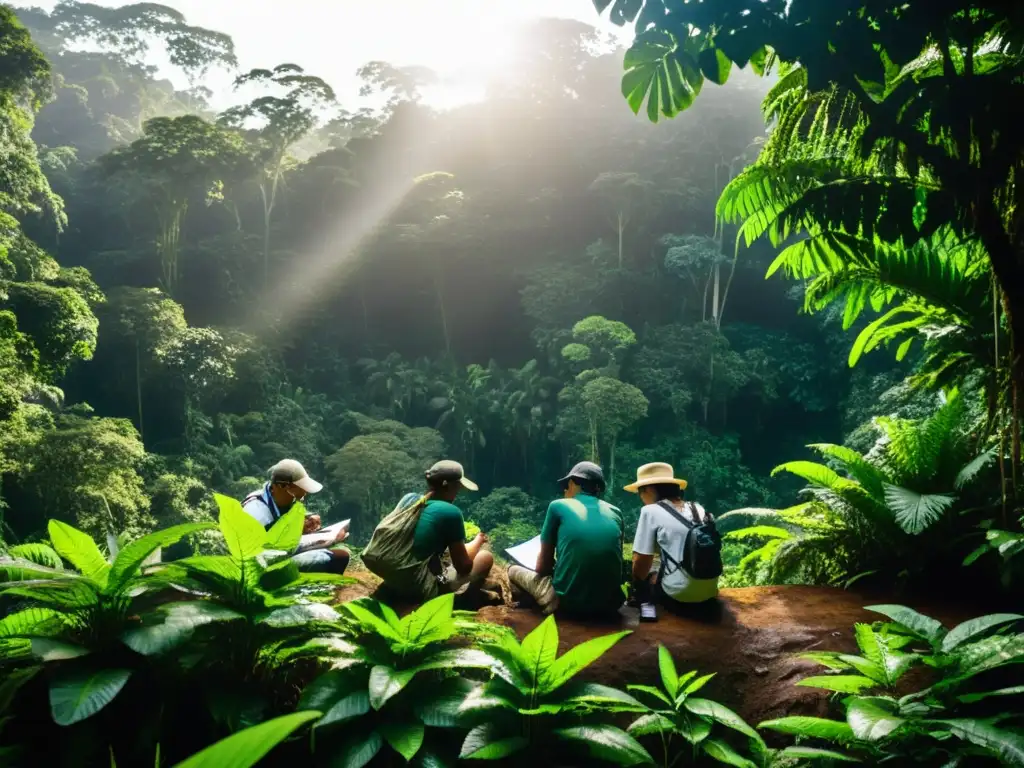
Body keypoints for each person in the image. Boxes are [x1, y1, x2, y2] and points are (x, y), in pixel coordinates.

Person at [361, 460, 493, 602]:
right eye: (457, 487)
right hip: (419, 583)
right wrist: (479, 543)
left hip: (391, 571)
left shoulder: (410, 500)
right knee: (485, 557)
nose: (458, 492)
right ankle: (460, 600)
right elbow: (463, 567)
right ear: (450, 486)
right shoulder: (451, 512)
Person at [507, 461, 625, 619]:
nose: (565, 490)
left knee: (512, 570)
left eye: (567, 485)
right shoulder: (616, 512)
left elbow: (543, 568)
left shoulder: (557, 506)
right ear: (598, 488)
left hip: (569, 604)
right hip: (610, 605)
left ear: (572, 483)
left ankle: (543, 604)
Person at [625, 462, 721, 622]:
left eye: (640, 492)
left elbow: (640, 561)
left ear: (648, 489)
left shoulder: (650, 511)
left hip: (679, 595)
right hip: (710, 590)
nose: (640, 498)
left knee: (650, 573)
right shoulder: (698, 508)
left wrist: (637, 587)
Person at [242, 459, 350, 574]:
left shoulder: (280, 498)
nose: (303, 494)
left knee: (341, 552)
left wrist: (307, 520)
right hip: (264, 566)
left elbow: (284, 516)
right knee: (338, 558)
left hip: (282, 554)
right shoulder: (256, 512)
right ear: (281, 486)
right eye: (299, 491)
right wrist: (327, 540)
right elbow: (264, 555)